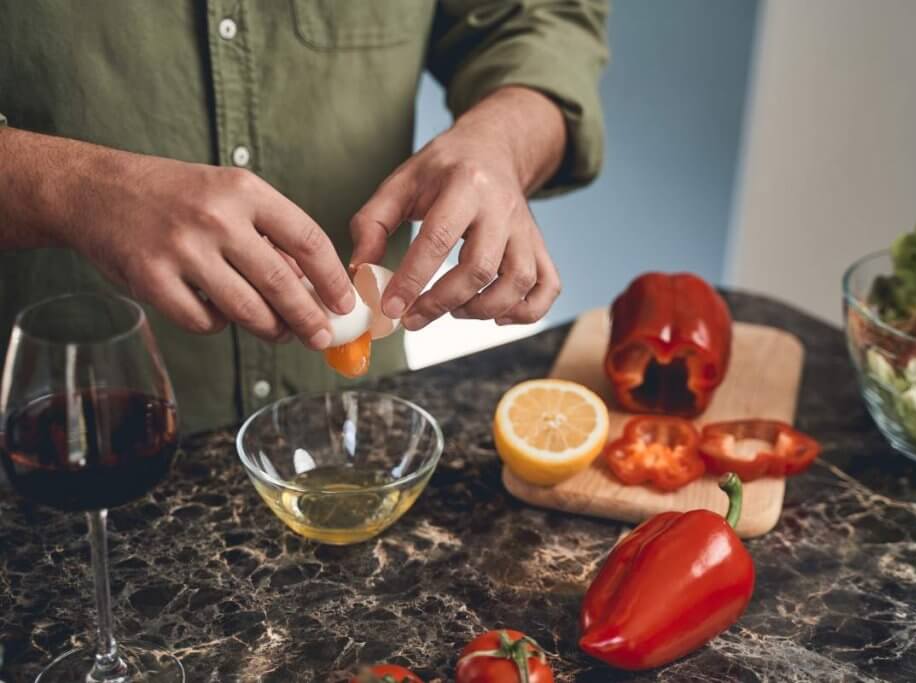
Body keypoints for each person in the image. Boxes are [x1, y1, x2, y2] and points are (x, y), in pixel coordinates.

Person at [0, 1, 609, 433]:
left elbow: (539, 20)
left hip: (356, 421)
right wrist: (76, 189)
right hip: (57, 427)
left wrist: (503, 139)